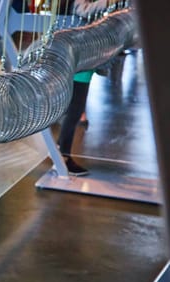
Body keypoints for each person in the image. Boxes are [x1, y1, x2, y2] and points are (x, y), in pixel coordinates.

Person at [57, 0, 119, 176]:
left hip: (85, 53)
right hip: (79, 54)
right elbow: (82, 9)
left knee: (75, 109)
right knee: (75, 110)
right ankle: (63, 156)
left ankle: (61, 151)